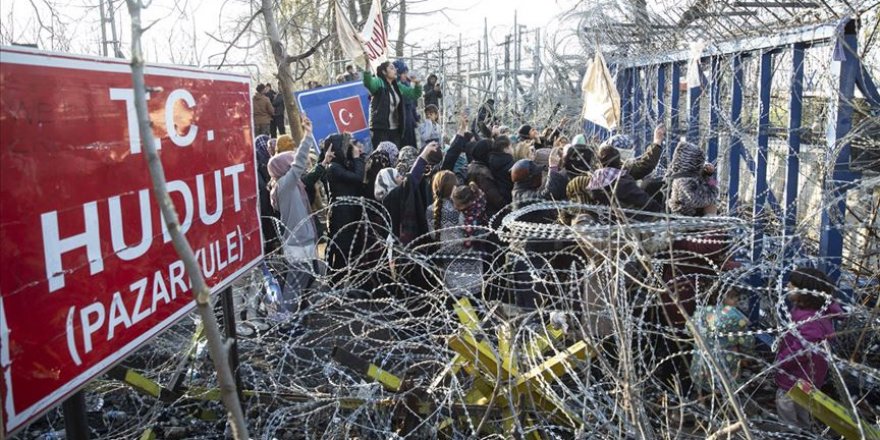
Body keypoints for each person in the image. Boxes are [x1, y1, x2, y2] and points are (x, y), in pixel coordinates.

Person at [775, 267, 843, 426]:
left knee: (786, 402)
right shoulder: (813, 311)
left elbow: (802, 347)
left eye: (792, 286)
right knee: (802, 404)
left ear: (805, 292)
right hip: (807, 374)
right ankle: (804, 431)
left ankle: (790, 433)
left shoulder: (810, 319)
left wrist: (781, 360)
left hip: (797, 373)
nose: (787, 288)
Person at [266, 116, 321, 312]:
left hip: (301, 237)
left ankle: (290, 312)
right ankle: (284, 315)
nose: (294, 168)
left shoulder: (287, 186)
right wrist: (307, 135)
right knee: (295, 281)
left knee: (303, 277)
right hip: (298, 239)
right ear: (283, 169)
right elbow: (298, 164)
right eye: (289, 166)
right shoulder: (285, 185)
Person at [427, 172, 484, 296]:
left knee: (457, 309)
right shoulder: (462, 209)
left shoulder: (431, 210)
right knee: (474, 310)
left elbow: (433, 235)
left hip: (449, 267)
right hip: (470, 265)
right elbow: (476, 233)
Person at [689, 288, 753, 396]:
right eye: (732, 297)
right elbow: (747, 341)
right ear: (722, 298)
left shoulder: (702, 312)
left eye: (736, 297)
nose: (736, 301)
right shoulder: (735, 316)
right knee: (725, 388)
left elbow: (689, 329)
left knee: (705, 386)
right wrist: (748, 355)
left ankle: (705, 402)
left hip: (701, 361)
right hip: (726, 363)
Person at [325, 132, 366, 272]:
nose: (350, 148)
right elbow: (357, 178)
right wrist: (357, 158)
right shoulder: (334, 168)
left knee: (351, 251)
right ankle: (335, 283)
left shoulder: (343, 165)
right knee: (342, 253)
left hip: (348, 213)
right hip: (341, 216)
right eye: (347, 146)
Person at [363, 60, 422, 147]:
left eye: (395, 68)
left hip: (395, 129)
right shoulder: (379, 82)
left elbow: (414, 94)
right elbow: (369, 83)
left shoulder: (398, 86)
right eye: (391, 68)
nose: (395, 70)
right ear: (384, 72)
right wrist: (367, 65)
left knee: (394, 156)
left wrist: (417, 84)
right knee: (382, 156)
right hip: (381, 129)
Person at [666, 141, 719, 216]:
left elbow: (716, 183)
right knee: (711, 206)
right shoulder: (683, 180)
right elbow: (699, 201)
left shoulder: (693, 176)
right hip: (685, 220)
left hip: (693, 218)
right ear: (694, 161)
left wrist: (708, 175)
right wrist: (713, 190)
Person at [393, 60, 420, 149]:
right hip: (400, 121)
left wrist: (415, 117)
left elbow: (413, 103)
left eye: (406, 73)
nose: (405, 75)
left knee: (410, 144)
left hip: (408, 119)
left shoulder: (407, 84)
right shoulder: (396, 86)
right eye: (403, 73)